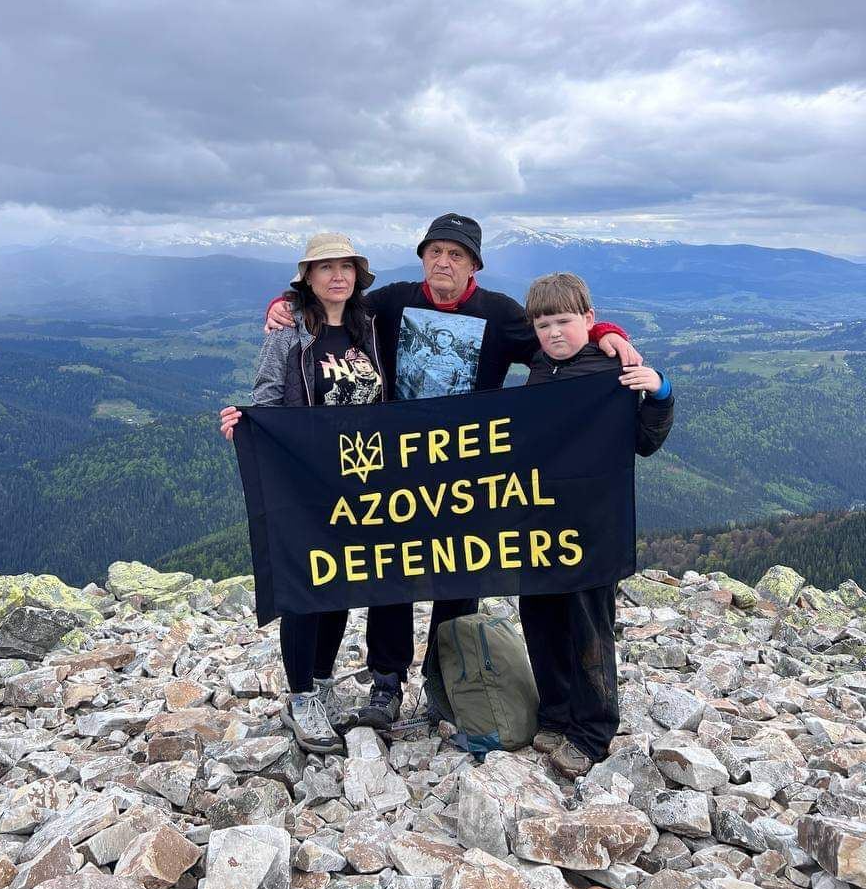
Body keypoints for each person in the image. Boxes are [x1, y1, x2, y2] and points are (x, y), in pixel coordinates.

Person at [265, 213, 644, 731]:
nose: (443, 262)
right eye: (435, 251)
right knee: (389, 572)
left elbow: (558, 338)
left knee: (459, 574)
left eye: (456, 255)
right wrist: (281, 306)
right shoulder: (393, 301)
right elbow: (331, 305)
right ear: (422, 256)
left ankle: (445, 679)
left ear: (474, 267)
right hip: (393, 465)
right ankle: (387, 680)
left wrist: (607, 332)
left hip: (467, 469)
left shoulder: (501, 313)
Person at [219, 233, 386, 752]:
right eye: (326, 268)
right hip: (305, 478)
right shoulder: (290, 330)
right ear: (307, 279)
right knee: (306, 582)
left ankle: (319, 679)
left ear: (357, 276)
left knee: (343, 581)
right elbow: (267, 396)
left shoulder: (369, 327)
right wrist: (250, 429)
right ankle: (299, 696)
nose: (338, 276)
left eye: (346, 267)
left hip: (362, 477)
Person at [519, 271, 674, 778]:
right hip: (539, 524)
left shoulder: (612, 371)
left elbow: (645, 442)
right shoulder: (539, 370)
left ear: (588, 320)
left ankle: (592, 732)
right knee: (540, 621)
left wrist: (660, 392)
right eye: (543, 325)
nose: (554, 333)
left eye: (564, 321)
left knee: (589, 628)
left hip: (592, 531)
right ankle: (556, 713)